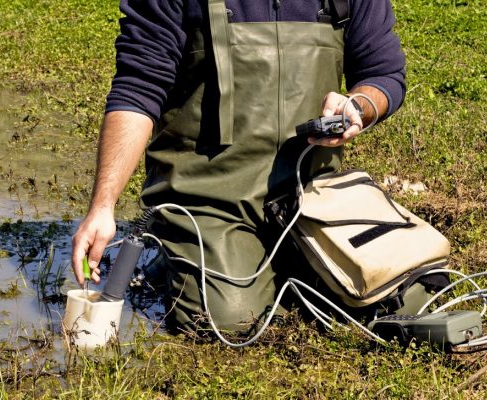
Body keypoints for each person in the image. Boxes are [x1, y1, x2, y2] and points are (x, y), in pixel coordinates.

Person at [71, 0, 406, 333]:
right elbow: (138, 89)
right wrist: (103, 205)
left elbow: (384, 74)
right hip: (207, 199)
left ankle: (273, 261)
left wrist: (359, 106)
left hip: (312, 197)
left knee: (401, 293)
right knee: (228, 321)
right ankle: (177, 253)